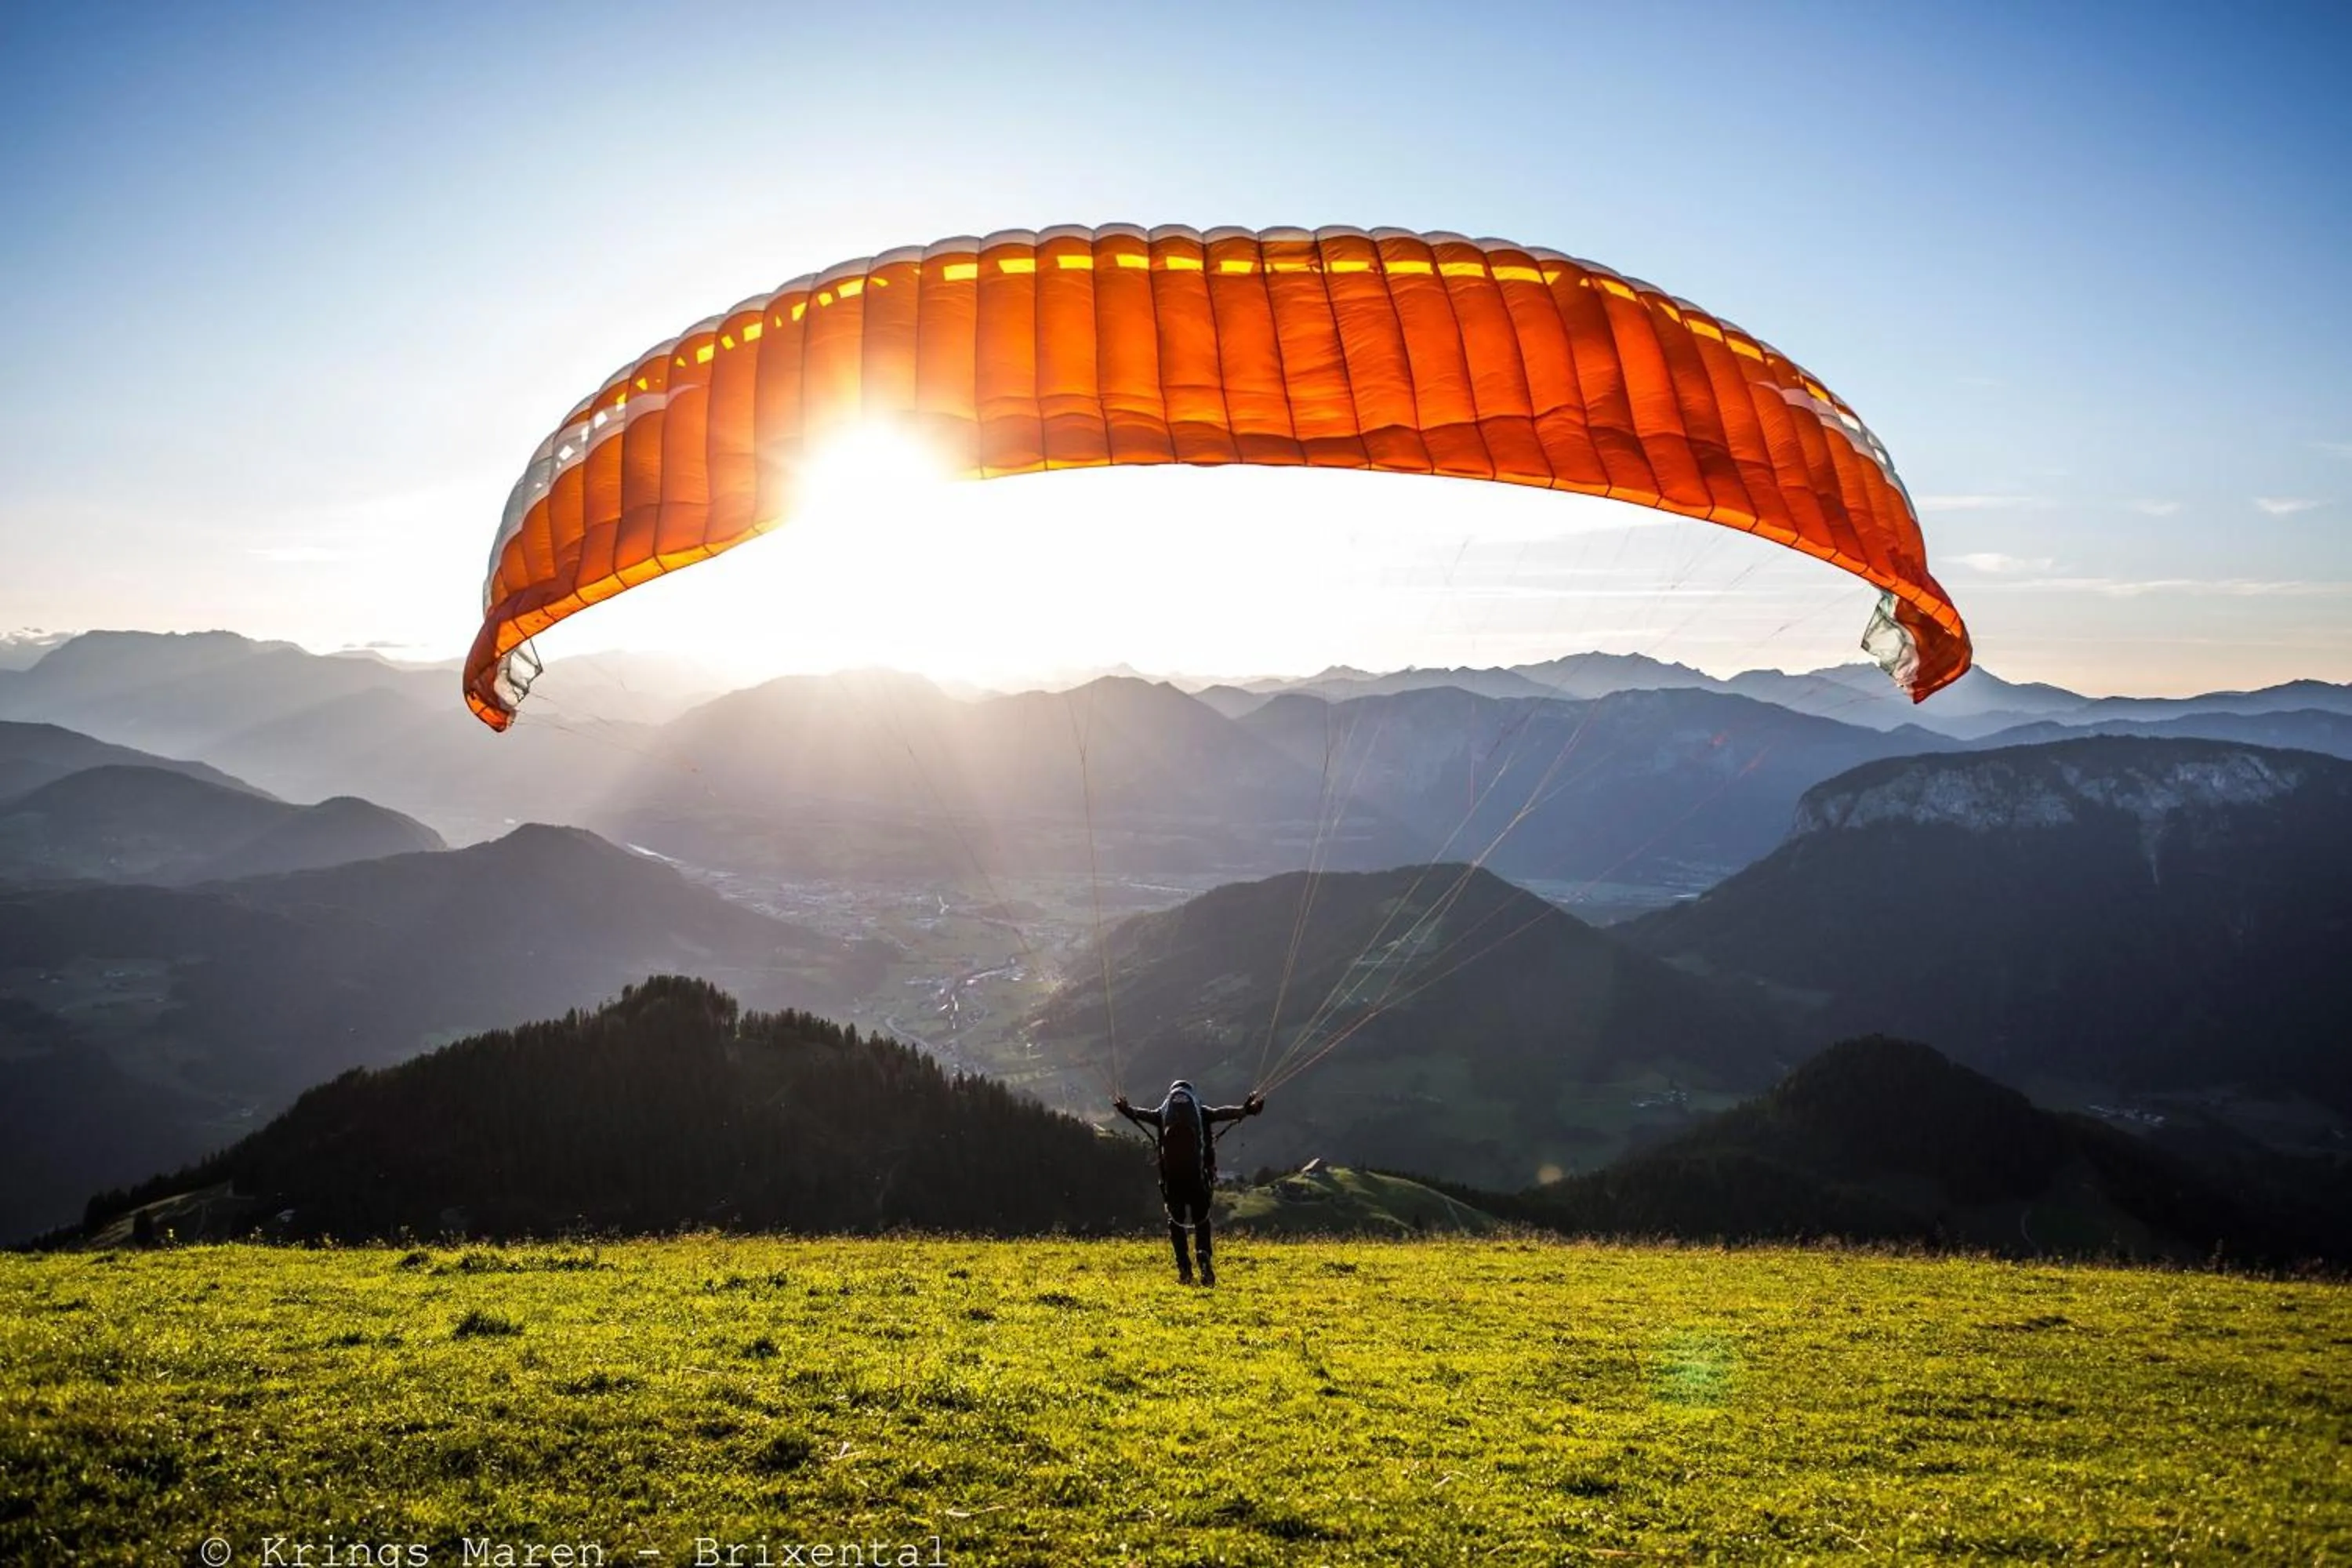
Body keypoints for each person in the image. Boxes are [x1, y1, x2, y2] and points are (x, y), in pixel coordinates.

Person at [1113, 1080, 1265, 1286]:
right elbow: (1224, 1113)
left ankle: (1184, 1269)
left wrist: (1125, 1108)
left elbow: (1138, 1114)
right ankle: (1203, 1257)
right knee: (1201, 1220)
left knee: (1176, 1222)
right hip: (1197, 1176)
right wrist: (1247, 1110)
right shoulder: (1201, 1111)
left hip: (1173, 1179)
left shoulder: (1162, 1113)